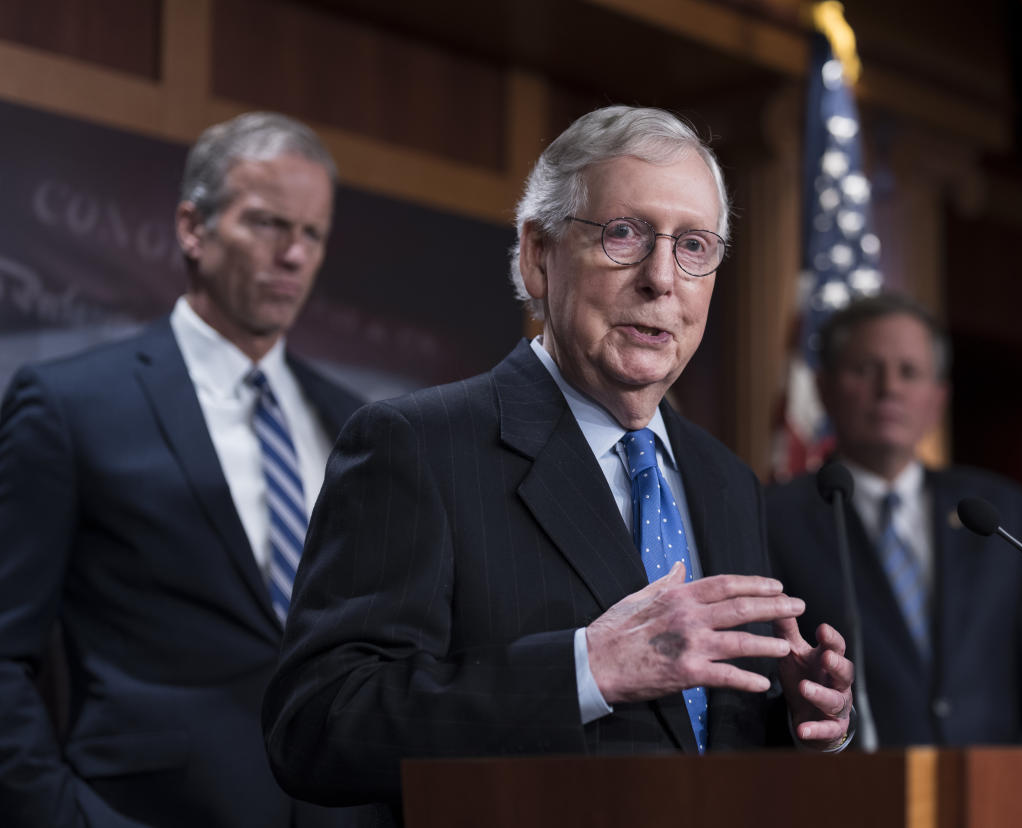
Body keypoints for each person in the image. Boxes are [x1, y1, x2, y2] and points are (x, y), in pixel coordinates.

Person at [262, 105, 855, 823]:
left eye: (694, 246)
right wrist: (587, 669)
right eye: (624, 235)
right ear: (537, 257)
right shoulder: (416, 445)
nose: (662, 279)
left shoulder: (725, 480)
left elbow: (696, 738)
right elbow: (319, 727)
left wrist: (803, 725)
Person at [0, 112, 364, 827]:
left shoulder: (359, 423)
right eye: (267, 223)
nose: (293, 254)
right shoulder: (71, 405)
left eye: (312, 234)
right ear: (193, 228)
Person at [766, 293, 1022, 746]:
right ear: (823, 388)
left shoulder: (1001, 510)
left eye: (910, 372)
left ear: (938, 399)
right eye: (866, 369)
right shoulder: (774, 516)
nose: (889, 388)